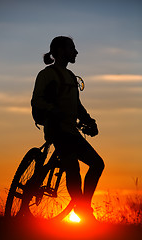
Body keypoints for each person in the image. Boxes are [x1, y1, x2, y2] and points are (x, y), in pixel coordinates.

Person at [31, 36, 105, 222]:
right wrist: (53, 111)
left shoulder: (71, 77)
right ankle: (83, 210)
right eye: (72, 48)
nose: (76, 52)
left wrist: (89, 121)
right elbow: (36, 100)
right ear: (62, 50)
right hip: (56, 129)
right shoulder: (46, 74)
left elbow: (77, 105)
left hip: (71, 131)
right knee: (73, 168)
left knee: (97, 164)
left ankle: (83, 206)